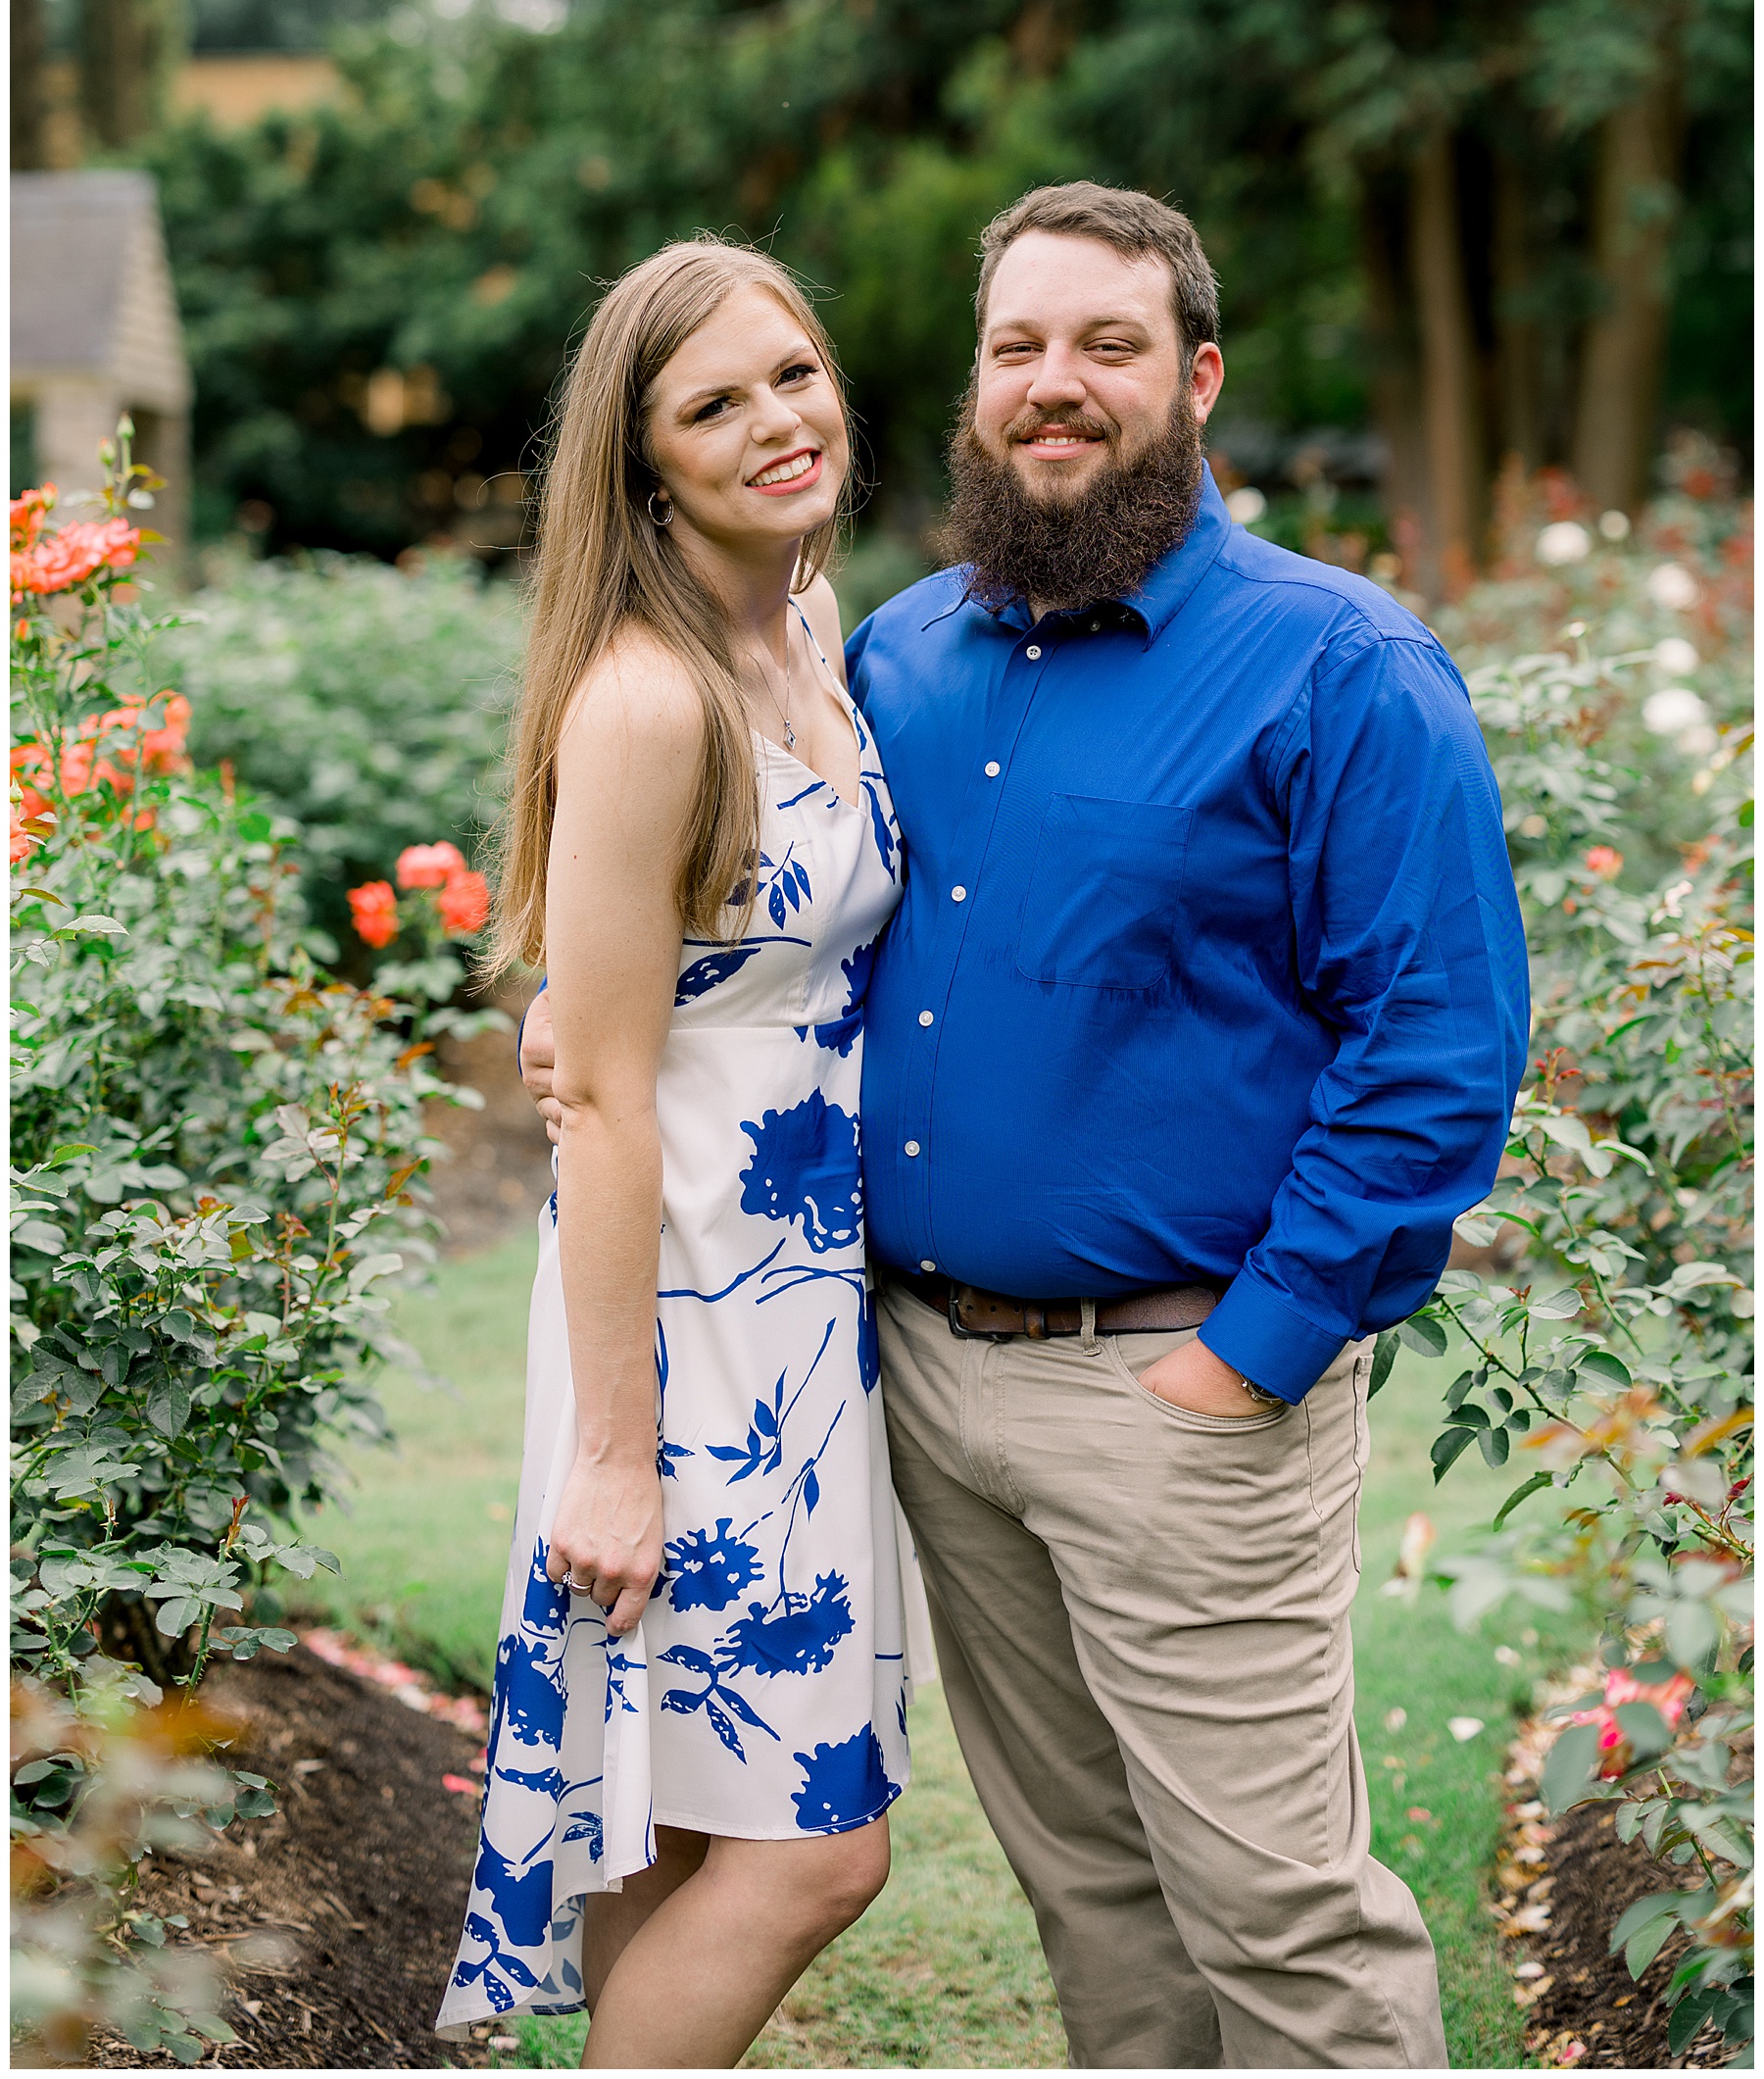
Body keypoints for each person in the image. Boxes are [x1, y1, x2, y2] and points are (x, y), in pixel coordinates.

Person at [522, 181, 1530, 2068]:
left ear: (1202, 377)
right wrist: (583, 1018)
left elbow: (1439, 1048)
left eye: (1108, 346)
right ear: (976, 386)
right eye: (1017, 348)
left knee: (1283, 1918)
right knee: (1095, 1902)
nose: (1053, 386)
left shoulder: (1339, 666)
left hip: (1181, 1390)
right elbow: (772, 937)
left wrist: (1253, 1358)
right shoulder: (888, 656)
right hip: (907, 1383)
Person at [439, 239, 917, 2067]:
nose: (775, 421)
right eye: (712, 403)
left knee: (679, 1798)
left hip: (803, 1304)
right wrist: (616, 1458)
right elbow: (608, 1098)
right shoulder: (645, 701)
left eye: (790, 372)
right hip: (688, 1311)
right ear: (644, 464)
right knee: (822, 1854)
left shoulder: (807, 628)